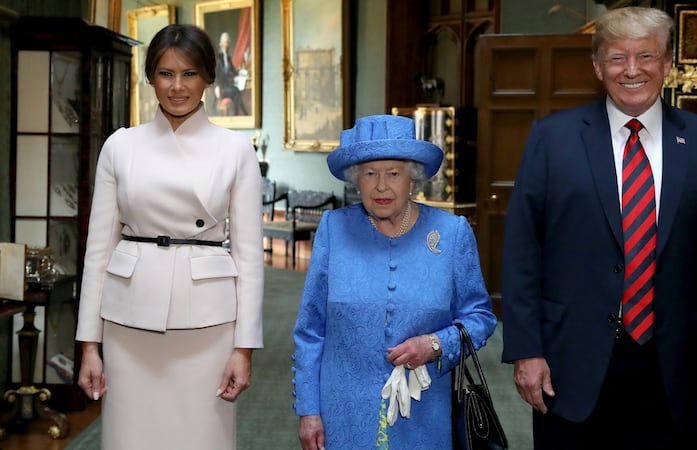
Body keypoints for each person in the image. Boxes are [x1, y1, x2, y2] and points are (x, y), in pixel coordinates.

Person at [501, 6, 697, 450]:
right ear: (598, 67)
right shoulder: (551, 138)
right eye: (618, 58)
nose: (632, 70)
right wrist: (526, 350)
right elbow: (523, 251)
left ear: (668, 64)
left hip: (678, 369)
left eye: (646, 56)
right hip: (571, 366)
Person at [75, 24, 264, 450]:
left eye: (189, 74)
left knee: (202, 438)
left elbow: (250, 259)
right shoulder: (120, 146)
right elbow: (97, 252)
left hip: (208, 324)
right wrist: (89, 344)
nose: (177, 87)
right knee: (130, 437)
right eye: (165, 73)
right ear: (150, 78)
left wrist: (244, 348)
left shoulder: (235, 150)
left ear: (209, 79)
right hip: (128, 320)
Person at [292, 114, 497, 449]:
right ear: (356, 180)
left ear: (412, 178)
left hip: (424, 414)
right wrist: (308, 410)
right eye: (370, 174)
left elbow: (480, 318)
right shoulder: (333, 229)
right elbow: (310, 329)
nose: (381, 186)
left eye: (393, 173)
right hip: (342, 413)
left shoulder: (451, 233)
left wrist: (435, 345)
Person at [214, 31, 247, 116]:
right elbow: (215, 74)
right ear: (221, 44)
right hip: (221, 88)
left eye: (228, 43)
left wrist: (240, 72)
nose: (226, 45)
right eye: (225, 42)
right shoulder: (218, 58)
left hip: (227, 86)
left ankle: (238, 115)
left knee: (236, 92)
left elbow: (233, 71)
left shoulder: (228, 58)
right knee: (236, 91)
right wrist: (217, 87)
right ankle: (243, 114)